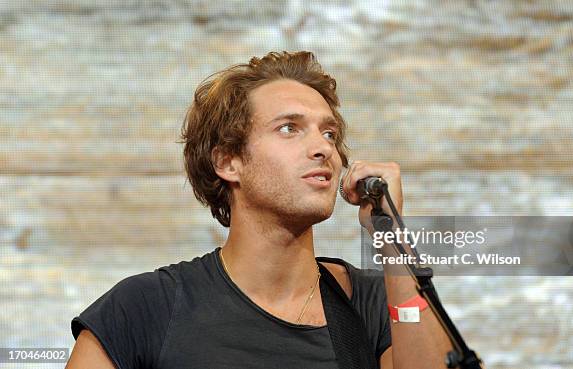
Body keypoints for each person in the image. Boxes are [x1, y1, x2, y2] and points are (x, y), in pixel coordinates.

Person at [66, 51, 452, 369]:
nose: (324, 149)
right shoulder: (145, 308)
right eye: (289, 128)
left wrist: (391, 240)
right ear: (228, 162)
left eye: (329, 133)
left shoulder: (374, 302)